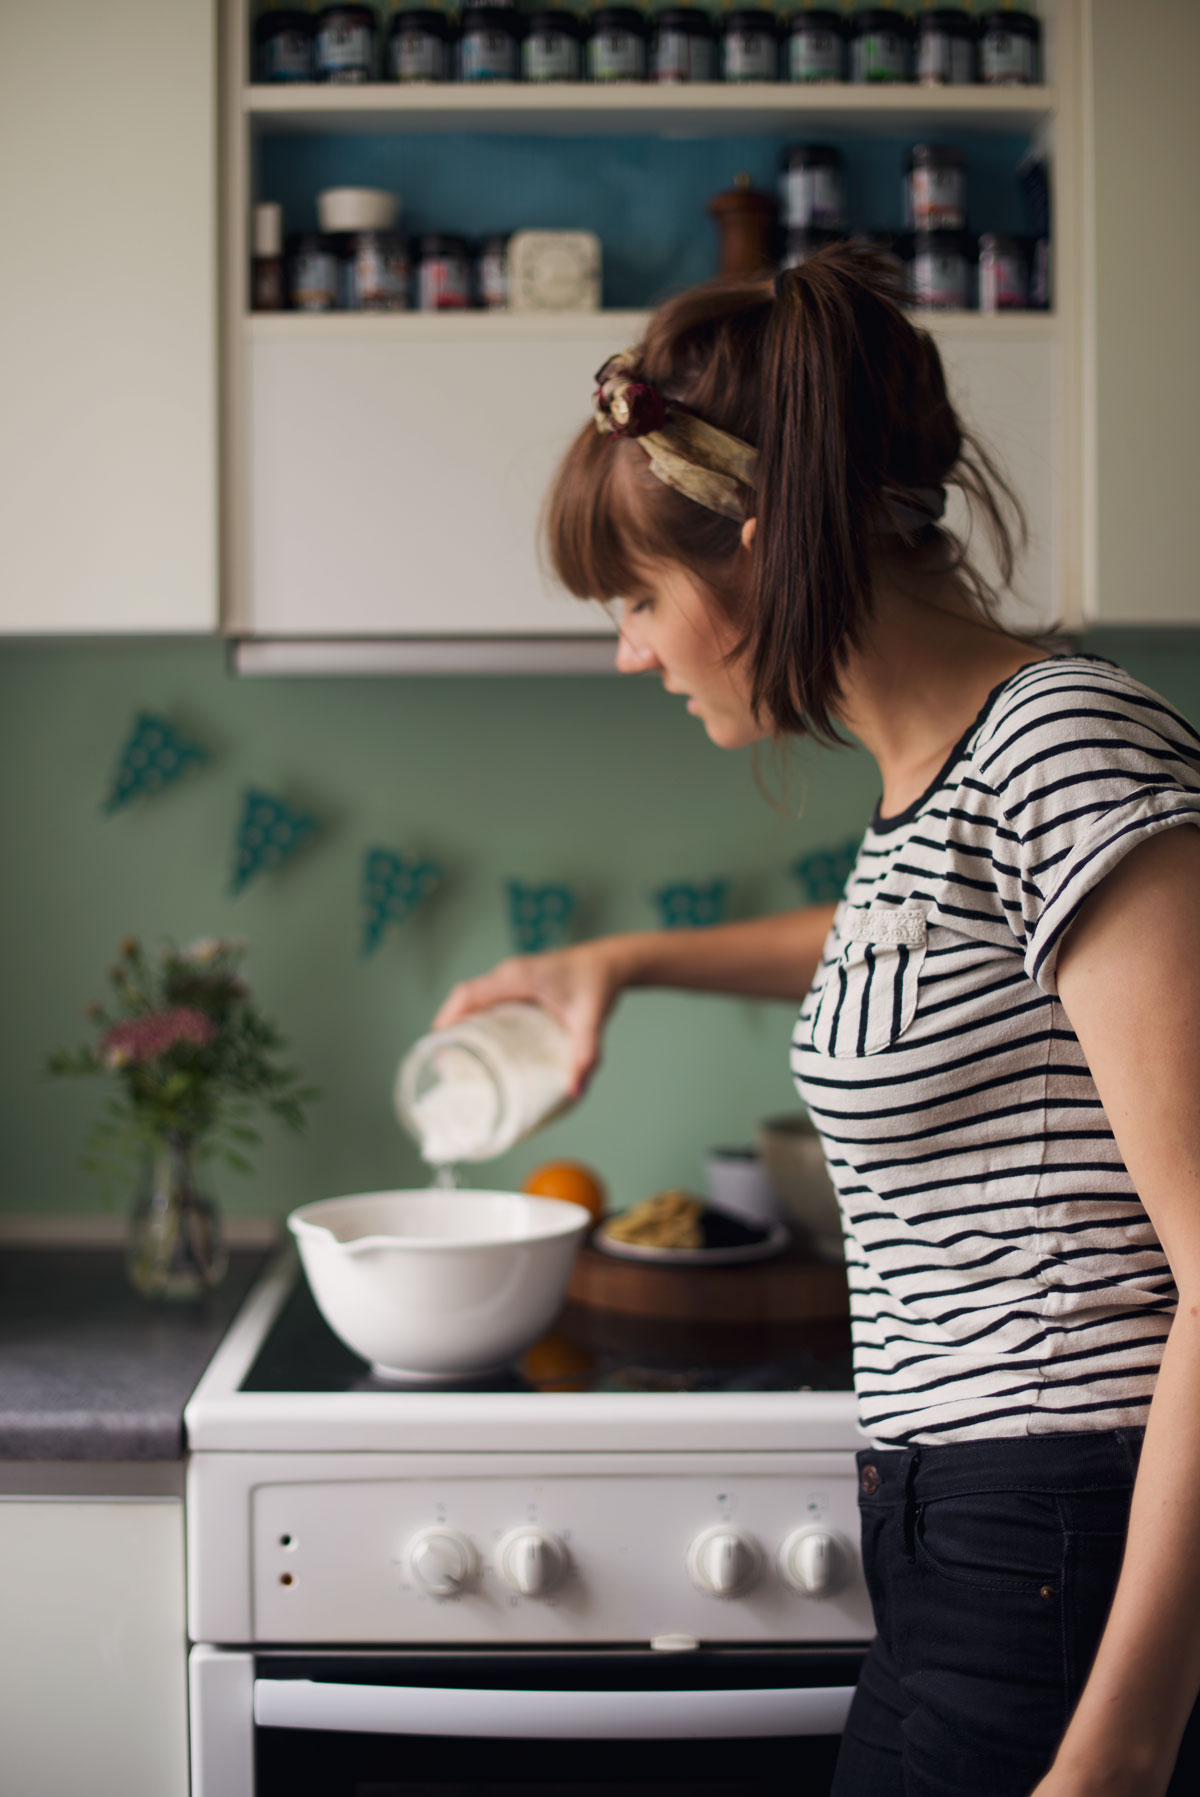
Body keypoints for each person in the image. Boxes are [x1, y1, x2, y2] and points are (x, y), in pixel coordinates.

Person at [432, 244, 1200, 1797]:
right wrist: (627, 961)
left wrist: (1113, 1755)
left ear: (764, 549)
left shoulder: (1065, 744)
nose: (631, 648)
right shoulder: (943, 781)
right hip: (961, 1553)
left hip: (1062, 1544)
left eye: (639, 597)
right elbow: (919, 949)